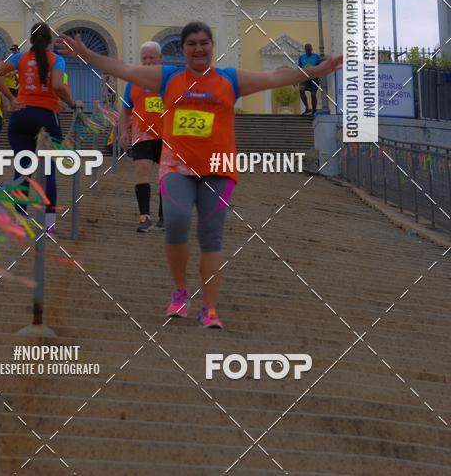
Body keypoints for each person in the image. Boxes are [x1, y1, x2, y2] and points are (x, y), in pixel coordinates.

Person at [58, 23, 341, 329]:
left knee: (211, 237)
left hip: (219, 168)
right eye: (191, 43)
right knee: (177, 224)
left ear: (212, 46)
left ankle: (209, 307)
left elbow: (274, 77)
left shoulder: (229, 80)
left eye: (204, 42)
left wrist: (315, 72)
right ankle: (180, 291)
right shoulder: (168, 77)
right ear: (182, 49)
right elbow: (123, 69)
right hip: (177, 166)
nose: (199, 48)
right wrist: (87, 54)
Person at [0, 23, 81, 236]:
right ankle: (49, 224)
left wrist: (12, 99)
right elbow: (58, 86)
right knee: (49, 170)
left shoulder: (19, 58)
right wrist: (72, 104)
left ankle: (20, 218)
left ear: (30, 40)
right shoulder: (56, 60)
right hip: (47, 117)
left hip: (21, 116)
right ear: (49, 41)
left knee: (22, 169)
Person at [119, 41, 165, 233]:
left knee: (167, 178)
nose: (147, 61)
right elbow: (125, 108)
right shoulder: (134, 81)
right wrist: (123, 131)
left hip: (167, 136)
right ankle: (144, 216)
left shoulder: (170, 79)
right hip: (142, 135)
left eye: (151, 57)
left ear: (160, 59)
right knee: (142, 173)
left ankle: (165, 217)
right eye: (144, 58)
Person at [298, 43, 322, 116]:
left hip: (314, 78)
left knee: (313, 94)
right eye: (306, 50)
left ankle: (314, 110)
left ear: (311, 49)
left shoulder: (316, 57)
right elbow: (299, 69)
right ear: (305, 50)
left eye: (309, 49)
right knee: (301, 89)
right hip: (304, 77)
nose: (308, 51)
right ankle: (307, 108)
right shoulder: (302, 57)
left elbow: (320, 67)